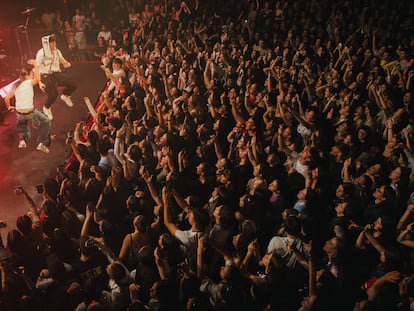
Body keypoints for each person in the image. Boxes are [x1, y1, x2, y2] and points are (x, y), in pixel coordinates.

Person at [4, 60, 51, 153]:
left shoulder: (16, 86)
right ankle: (42, 143)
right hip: (29, 113)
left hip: (19, 113)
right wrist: (35, 65)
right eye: (32, 74)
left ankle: (22, 141)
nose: (33, 75)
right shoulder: (28, 83)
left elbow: (6, 99)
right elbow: (38, 79)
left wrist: (9, 107)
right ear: (28, 75)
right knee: (46, 121)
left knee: (22, 125)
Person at [36, 35, 76, 120]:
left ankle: (65, 95)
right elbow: (36, 68)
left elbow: (62, 60)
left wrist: (66, 63)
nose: (54, 44)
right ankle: (46, 107)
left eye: (55, 42)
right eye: (52, 43)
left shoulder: (57, 51)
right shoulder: (41, 53)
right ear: (47, 44)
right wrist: (39, 82)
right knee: (53, 95)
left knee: (73, 84)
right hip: (45, 76)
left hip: (56, 74)